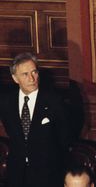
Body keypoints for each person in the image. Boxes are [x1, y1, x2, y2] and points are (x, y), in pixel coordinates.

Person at [0, 52, 71, 187]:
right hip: (17, 173)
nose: (31, 78)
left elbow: (65, 137)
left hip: (48, 173)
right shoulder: (6, 102)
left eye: (34, 72)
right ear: (15, 78)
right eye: (25, 74)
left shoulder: (54, 101)